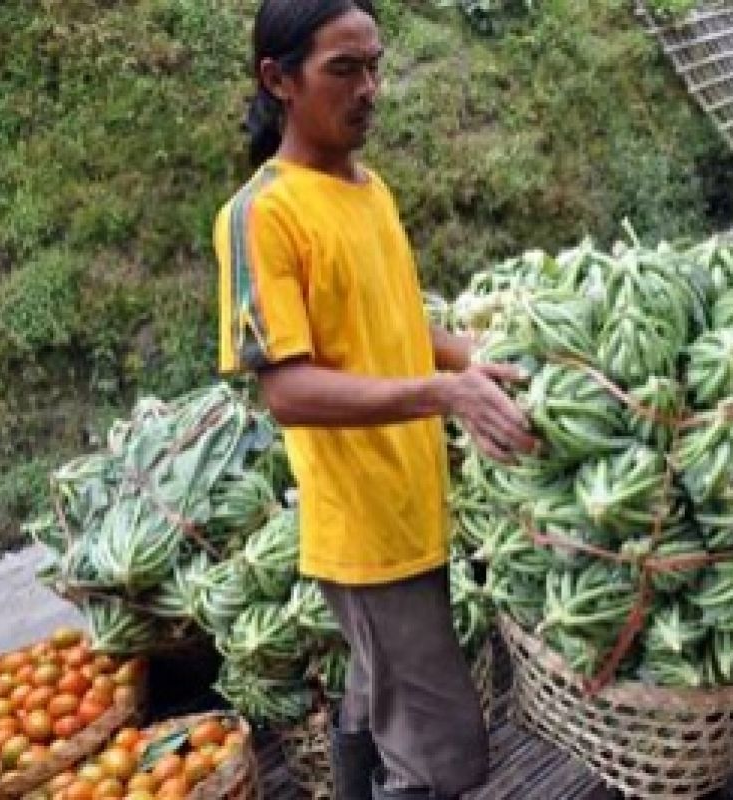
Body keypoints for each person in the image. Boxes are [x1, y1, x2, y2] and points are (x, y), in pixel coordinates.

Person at [214, 2, 537, 798]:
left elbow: (399, 327)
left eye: (375, 66)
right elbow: (287, 389)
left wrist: (496, 359)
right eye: (344, 70)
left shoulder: (369, 190)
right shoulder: (263, 215)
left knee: (376, 695)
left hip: (413, 501)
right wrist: (442, 392)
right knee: (445, 759)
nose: (370, 89)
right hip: (366, 532)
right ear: (278, 80)